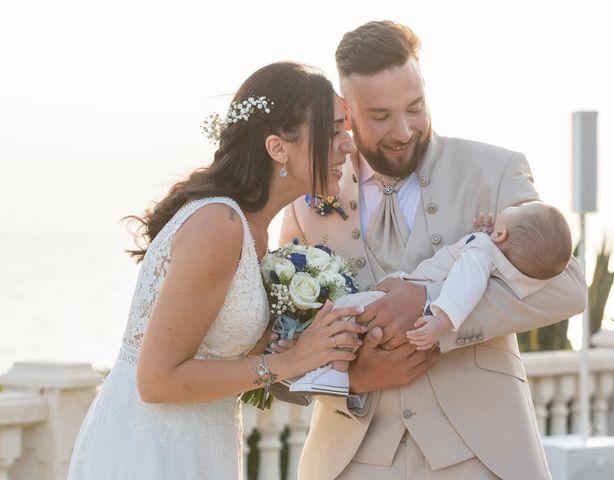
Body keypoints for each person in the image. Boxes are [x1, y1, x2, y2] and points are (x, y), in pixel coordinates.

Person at [280, 21, 587, 480]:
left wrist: (431, 304)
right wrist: (355, 378)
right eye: (380, 116)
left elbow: (568, 287)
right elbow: (279, 345)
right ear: (345, 112)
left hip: (484, 452)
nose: (403, 131)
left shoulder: (494, 169)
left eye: (415, 107)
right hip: (351, 460)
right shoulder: (309, 196)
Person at [66, 61, 365, 480]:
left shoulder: (252, 231)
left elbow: (212, 350)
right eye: (333, 131)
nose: (348, 145)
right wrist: (290, 361)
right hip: (151, 452)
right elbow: (156, 382)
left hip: (203, 441)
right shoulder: (217, 225)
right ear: (278, 148)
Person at [288, 201, 574, 395]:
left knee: (342, 311)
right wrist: (483, 234)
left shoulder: (481, 253)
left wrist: (441, 321)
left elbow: (466, 286)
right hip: (404, 284)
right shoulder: (489, 249)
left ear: (501, 233)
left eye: (514, 209)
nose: (508, 207)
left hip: (406, 292)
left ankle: (335, 372)